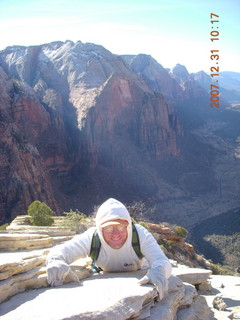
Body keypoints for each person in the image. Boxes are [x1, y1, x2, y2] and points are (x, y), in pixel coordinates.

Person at [46, 198, 172, 300]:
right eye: (108, 229)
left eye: (121, 227)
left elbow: (161, 260)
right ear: (100, 229)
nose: (115, 234)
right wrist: (55, 261)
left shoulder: (140, 235)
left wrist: (160, 271)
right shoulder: (93, 238)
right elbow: (62, 251)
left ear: (128, 226)